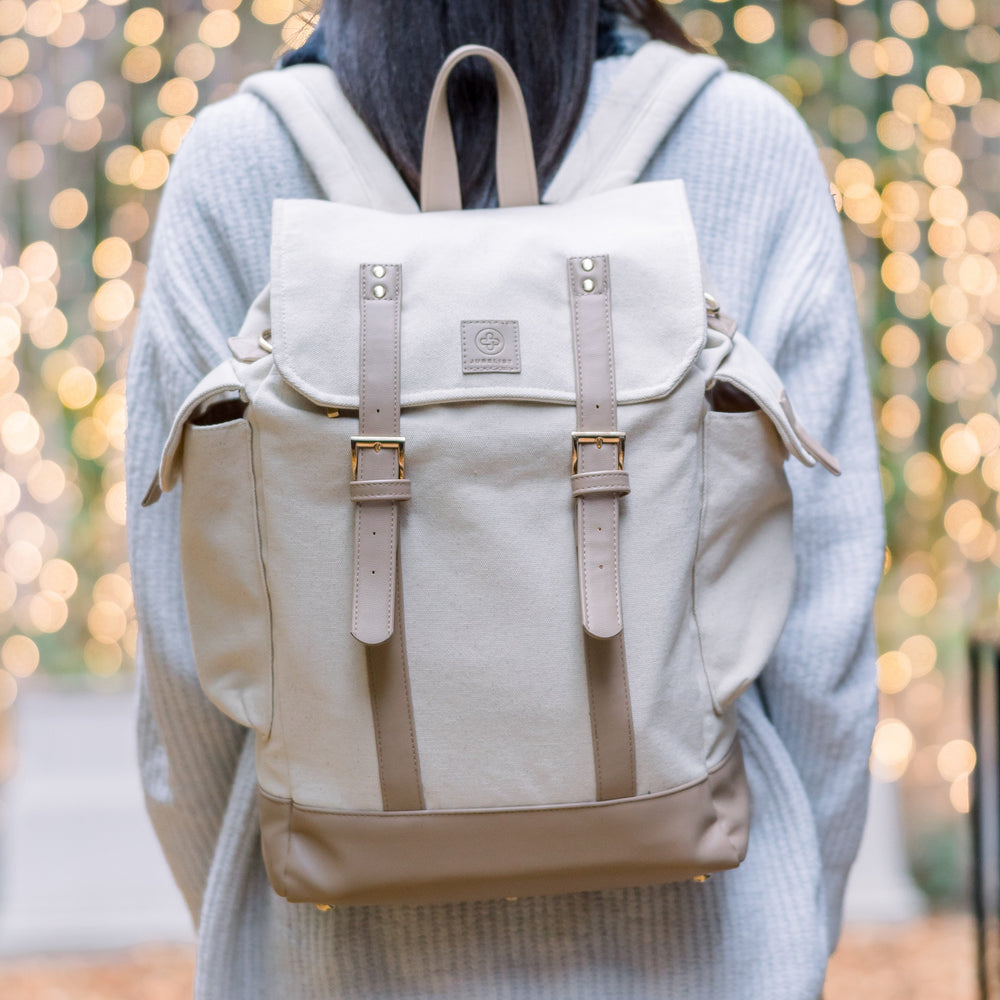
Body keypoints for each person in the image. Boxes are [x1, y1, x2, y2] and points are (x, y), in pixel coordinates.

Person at [125, 2, 886, 997]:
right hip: (711, 955)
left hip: (333, 960)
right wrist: (789, 924)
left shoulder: (235, 162)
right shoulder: (739, 141)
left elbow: (183, 661)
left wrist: (261, 918)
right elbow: (823, 638)